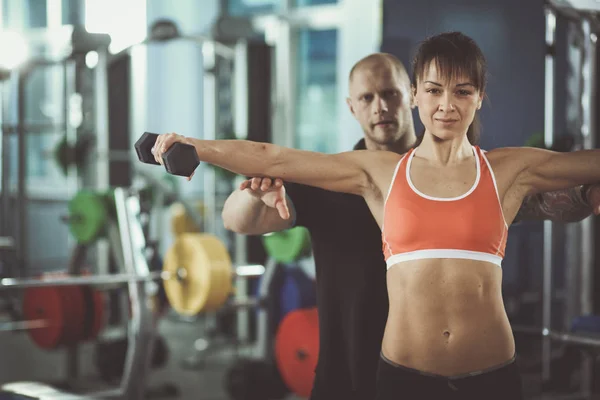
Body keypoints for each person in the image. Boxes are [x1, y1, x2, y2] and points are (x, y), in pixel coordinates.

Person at [150, 32, 600, 399]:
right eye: (435, 91)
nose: (446, 104)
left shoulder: (504, 170)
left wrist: (584, 198)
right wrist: (196, 147)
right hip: (378, 375)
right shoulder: (364, 173)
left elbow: (573, 183)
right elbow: (268, 164)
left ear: (479, 97)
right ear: (418, 96)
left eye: (462, 91)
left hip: (489, 375)